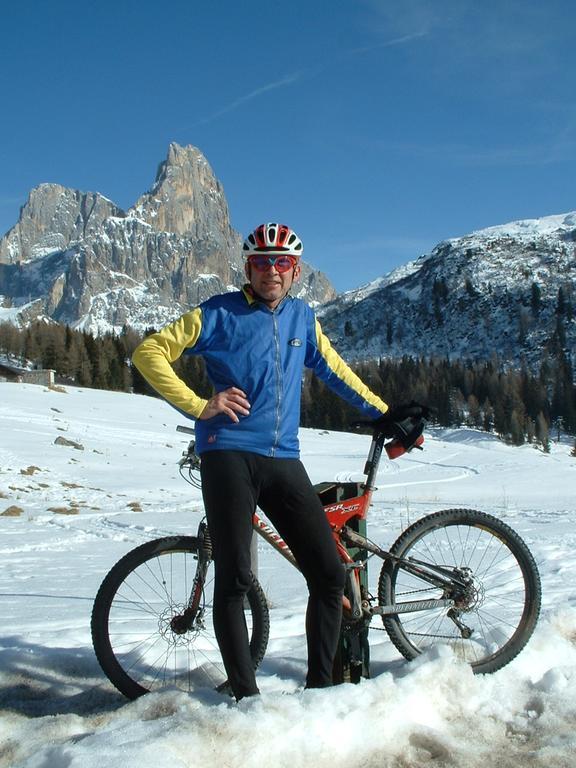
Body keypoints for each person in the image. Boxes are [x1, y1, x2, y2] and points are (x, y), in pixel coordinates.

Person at [132, 222, 389, 700]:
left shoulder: (302, 318)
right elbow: (149, 353)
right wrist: (199, 405)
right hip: (227, 453)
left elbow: (336, 373)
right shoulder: (218, 313)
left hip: (282, 458)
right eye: (262, 262)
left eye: (282, 263)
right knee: (234, 578)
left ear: (295, 272)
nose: (272, 270)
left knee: (330, 575)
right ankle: (246, 700)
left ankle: (320, 691)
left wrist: (385, 412)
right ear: (248, 268)